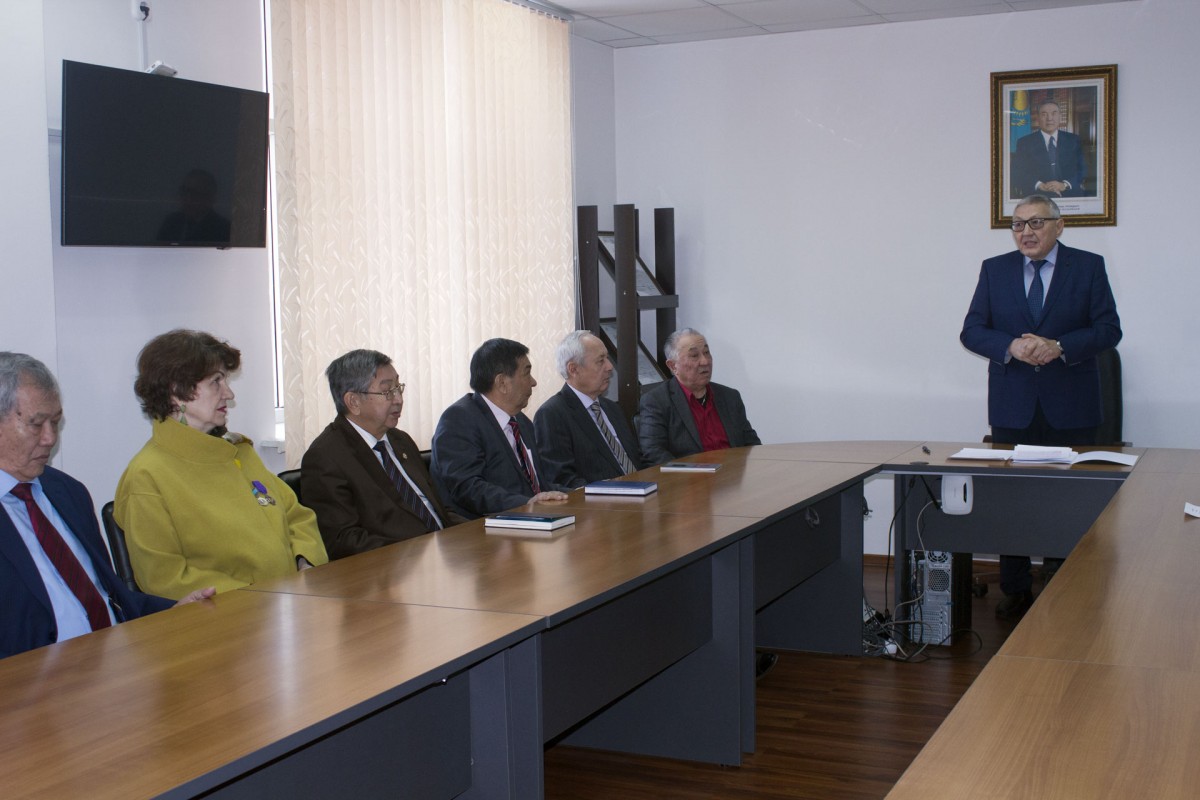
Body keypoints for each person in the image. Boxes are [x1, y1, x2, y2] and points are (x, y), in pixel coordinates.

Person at [961, 194, 1122, 620]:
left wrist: (1060, 345)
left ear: (1058, 226)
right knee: (1012, 501)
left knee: (1068, 502)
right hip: (1013, 405)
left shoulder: (1087, 267)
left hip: (1071, 406)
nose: (1026, 232)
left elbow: (1109, 329)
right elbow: (972, 331)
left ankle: (1063, 584)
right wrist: (1010, 346)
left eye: (1036, 223)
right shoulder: (994, 270)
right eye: (1018, 224)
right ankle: (1015, 588)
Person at [0, 352, 214, 659]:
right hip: (36, 678)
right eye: (36, 424)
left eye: (56, 422)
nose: (50, 438)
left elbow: (111, 598)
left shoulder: (66, 492)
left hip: (116, 659)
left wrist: (175, 611)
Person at [115, 330, 327, 599]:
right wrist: (260, 596)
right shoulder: (147, 476)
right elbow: (164, 577)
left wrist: (304, 562)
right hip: (231, 615)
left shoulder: (238, 452)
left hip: (290, 602)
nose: (229, 393)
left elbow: (296, 516)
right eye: (216, 382)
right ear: (177, 391)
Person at [301, 349, 455, 559]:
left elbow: (437, 510)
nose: (398, 399)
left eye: (398, 388)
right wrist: (418, 554)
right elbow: (344, 540)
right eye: (387, 391)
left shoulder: (401, 441)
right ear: (353, 402)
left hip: (445, 552)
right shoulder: (326, 457)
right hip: (394, 568)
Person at [431, 338, 568, 519]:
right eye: (527, 373)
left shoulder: (521, 421)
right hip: (486, 528)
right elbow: (468, 487)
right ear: (502, 382)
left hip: (534, 520)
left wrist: (581, 494)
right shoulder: (459, 420)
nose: (534, 382)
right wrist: (526, 504)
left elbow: (540, 485)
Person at [533, 331, 646, 488]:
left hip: (642, 489)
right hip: (604, 500)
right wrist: (613, 493)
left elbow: (637, 459)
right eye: (600, 361)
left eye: (607, 358)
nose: (610, 367)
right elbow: (562, 478)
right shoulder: (552, 414)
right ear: (573, 369)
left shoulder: (612, 408)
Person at [637, 328, 762, 466]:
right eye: (694, 355)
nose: (705, 361)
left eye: (707, 353)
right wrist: (692, 475)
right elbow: (653, 453)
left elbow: (752, 445)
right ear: (673, 366)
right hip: (690, 477)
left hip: (733, 474)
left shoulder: (730, 397)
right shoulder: (656, 401)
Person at [1011, 101, 1087, 198]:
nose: (1049, 118)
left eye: (1054, 113)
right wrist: (1040, 185)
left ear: (1060, 116)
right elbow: (1018, 172)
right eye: (1044, 114)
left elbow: (1083, 169)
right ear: (1038, 118)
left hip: (1070, 194)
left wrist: (1064, 185)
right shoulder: (1024, 142)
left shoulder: (1073, 140)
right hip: (1038, 196)